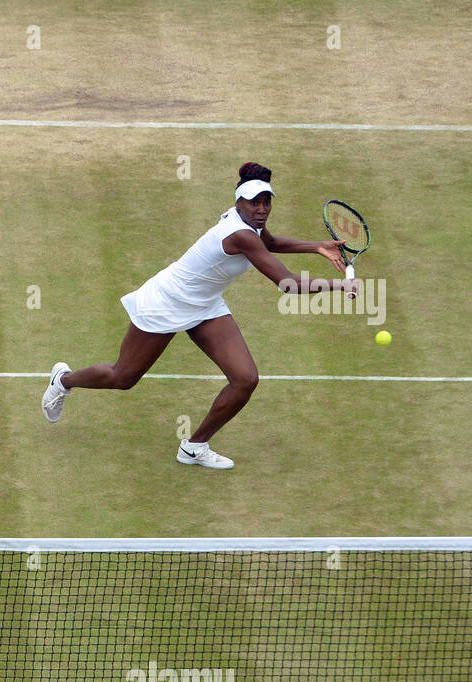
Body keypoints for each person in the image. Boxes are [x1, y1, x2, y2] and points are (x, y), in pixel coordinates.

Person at [41, 162, 358, 469]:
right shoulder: (241, 234)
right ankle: (63, 380)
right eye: (254, 203)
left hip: (205, 306)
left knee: (245, 379)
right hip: (166, 302)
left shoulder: (251, 226)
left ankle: (194, 448)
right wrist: (340, 286)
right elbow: (288, 284)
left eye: (266, 202)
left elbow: (271, 243)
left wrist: (318, 246)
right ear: (239, 202)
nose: (261, 209)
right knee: (123, 377)